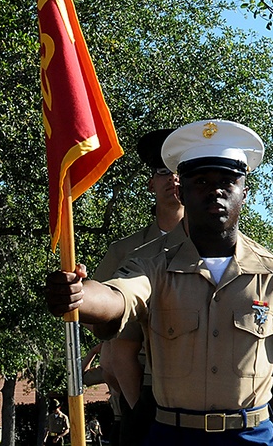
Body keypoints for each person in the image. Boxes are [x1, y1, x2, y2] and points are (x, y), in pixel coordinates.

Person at [45, 119, 273, 445]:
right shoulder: (153, 268)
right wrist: (79, 296)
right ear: (181, 191)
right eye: (200, 181)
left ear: (245, 191)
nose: (215, 189)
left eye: (228, 180)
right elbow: (119, 296)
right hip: (172, 435)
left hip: (253, 436)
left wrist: (269, 404)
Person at [92, 128, 185, 446]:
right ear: (151, 184)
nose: (172, 180)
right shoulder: (124, 252)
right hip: (143, 389)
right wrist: (137, 408)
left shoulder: (214, 248)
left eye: (180, 172)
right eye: (163, 172)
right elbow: (107, 335)